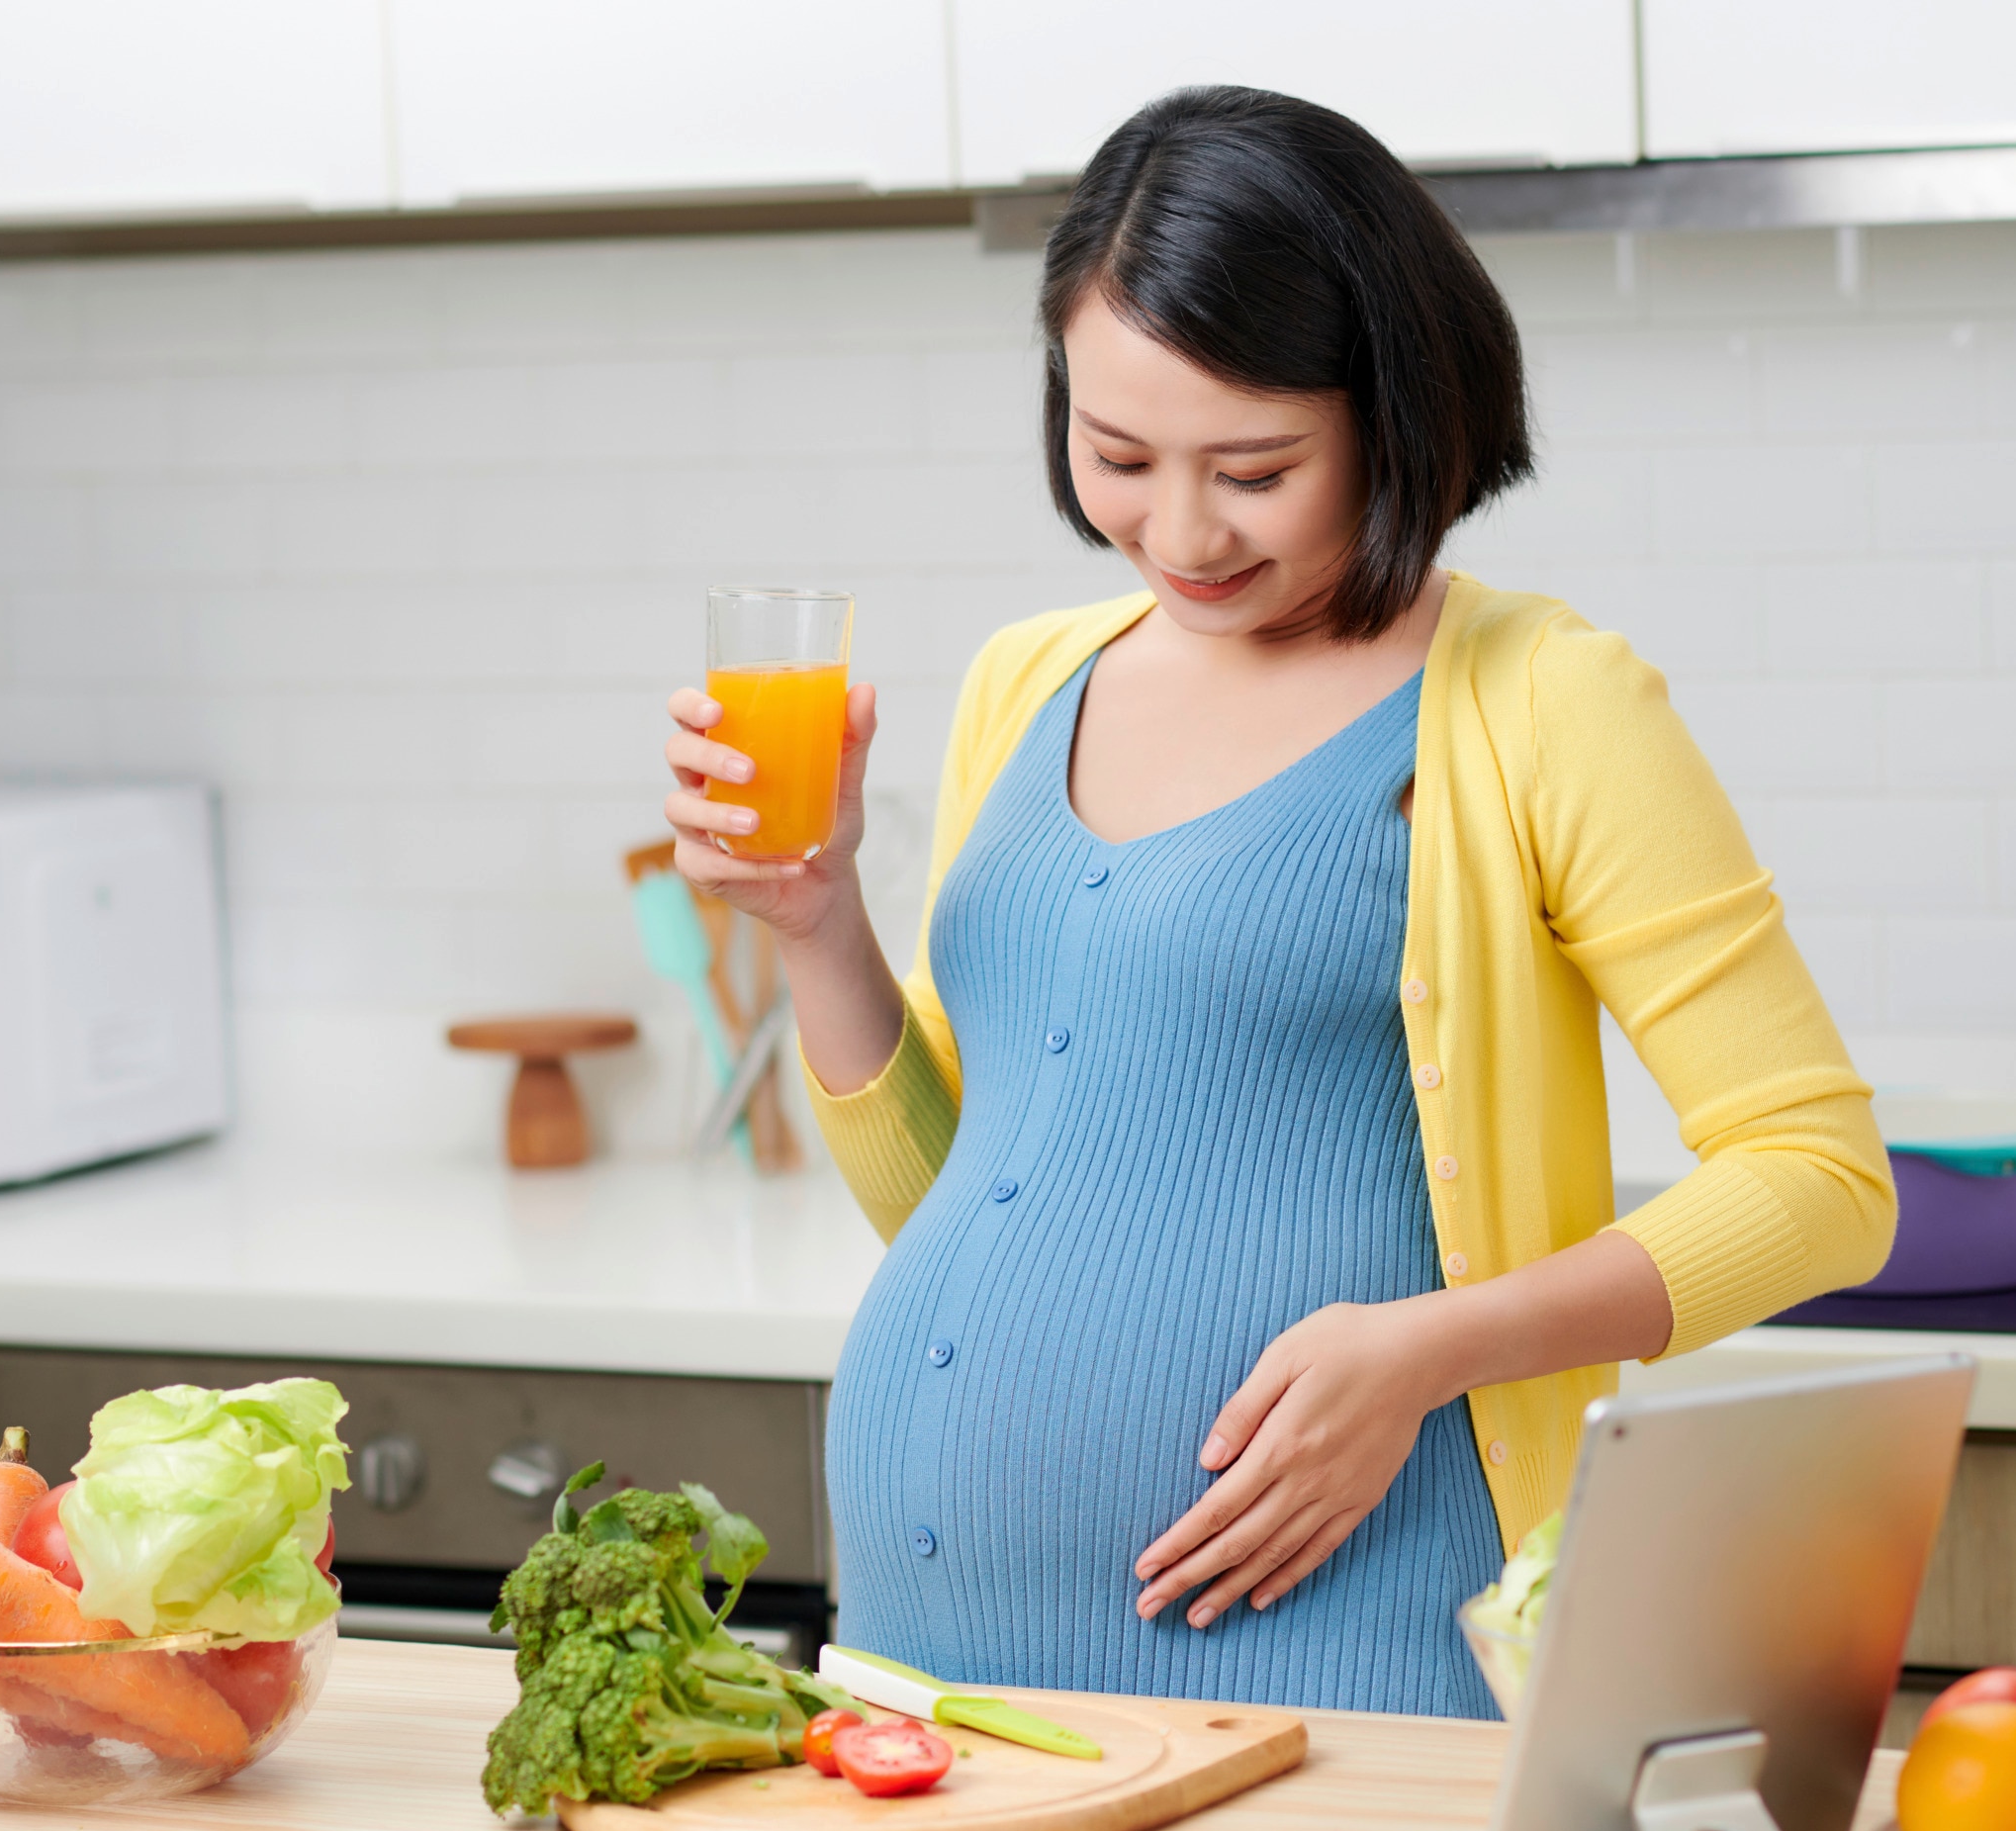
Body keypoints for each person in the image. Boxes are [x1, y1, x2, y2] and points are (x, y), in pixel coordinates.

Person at [663, 86, 1894, 1718]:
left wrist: (1430, 1349)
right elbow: (962, 1198)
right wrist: (817, 923)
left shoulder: (1541, 700)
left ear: (1395, 412)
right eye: (1119, 456)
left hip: (1349, 1625)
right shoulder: (1028, 681)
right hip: (926, 1661)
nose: (1178, 530)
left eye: (1254, 468)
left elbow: (1820, 1182)